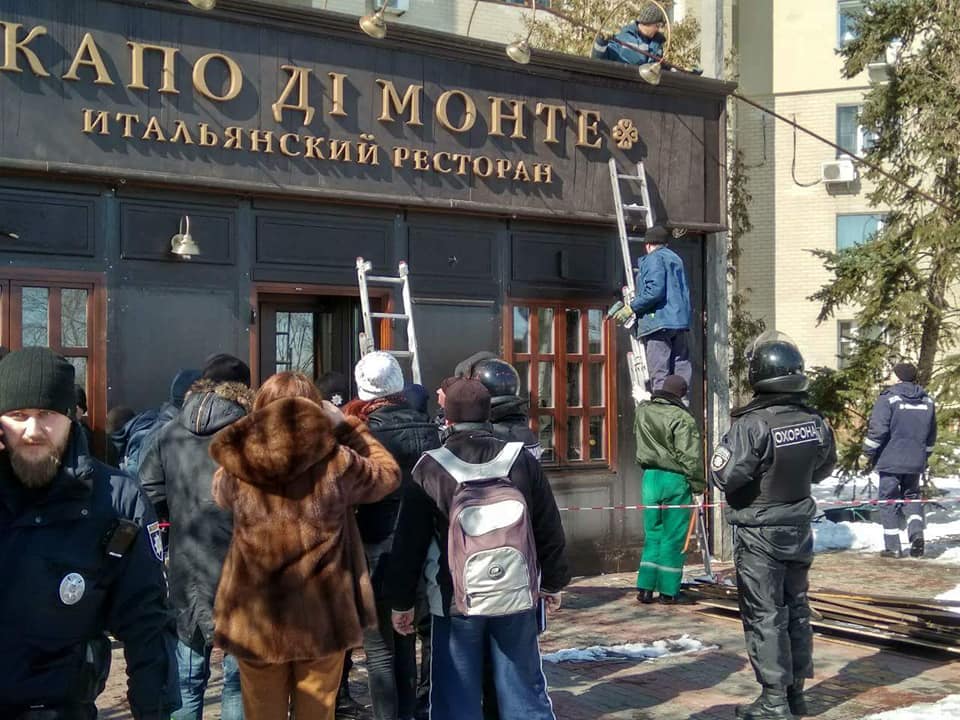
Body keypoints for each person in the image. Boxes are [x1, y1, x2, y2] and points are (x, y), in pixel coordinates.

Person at [209, 370, 401, 720]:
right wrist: (347, 426)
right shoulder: (337, 461)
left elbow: (220, 495)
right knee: (317, 712)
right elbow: (387, 474)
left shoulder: (239, 464)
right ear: (314, 406)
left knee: (261, 714)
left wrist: (251, 431)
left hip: (256, 616)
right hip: (321, 614)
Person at [0, 347, 180, 719]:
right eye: (18, 416)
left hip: (66, 707)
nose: (33, 430)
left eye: (47, 414)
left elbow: (146, 619)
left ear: (70, 416)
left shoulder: (117, 501)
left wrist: (154, 708)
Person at [388, 377, 569, 720]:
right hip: (516, 591)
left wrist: (402, 602)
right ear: (488, 413)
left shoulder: (430, 467)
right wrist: (552, 583)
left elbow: (408, 542)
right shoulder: (521, 460)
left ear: (448, 418)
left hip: (454, 598)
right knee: (523, 691)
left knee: (456, 696)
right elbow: (548, 525)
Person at [710, 331, 837, 720]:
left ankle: (774, 701)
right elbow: (823, 467)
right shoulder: (814, 420)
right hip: (798, 529)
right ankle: (795, 694)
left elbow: (725, 475)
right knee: (796, 609)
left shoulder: (752, 424)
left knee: (765, 614)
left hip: (760, 532)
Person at [139, 354, 254, 720]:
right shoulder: (250, 432)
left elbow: (148, 493)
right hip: (242, 568)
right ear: (243, 390)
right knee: (237, 680)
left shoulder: (169, 432)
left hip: (186, 565)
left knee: (188, 679)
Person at [339, 352, 441, 720]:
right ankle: (409, 713)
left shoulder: (362, 435)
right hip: (423, 547)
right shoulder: (432, 430)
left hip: (376, 547)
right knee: (407, 637)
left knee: (380, 649)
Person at [633, 374, 704, 605]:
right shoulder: (683, 418)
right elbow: (690, 457)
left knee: (653, 534)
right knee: (673, 536)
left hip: (650, 478)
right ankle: (668, 591)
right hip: (675, 479)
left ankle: (645, 588)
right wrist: (698, 487)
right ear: (682, 394)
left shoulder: (643, 411)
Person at [861, 362, 937, 559]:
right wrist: (924, 455)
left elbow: (878, 429)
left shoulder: (889, 398)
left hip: (891, 460)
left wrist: (867, 452)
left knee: (888, 501)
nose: (890, 377)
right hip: (915, 461)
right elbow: (931, 434)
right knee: (911, 498)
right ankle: (916, 535)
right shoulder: (927, 400)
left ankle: (893, 547)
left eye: (892, 374)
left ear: (899, 377)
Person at [612, 226, 692, 397]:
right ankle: (681, 406)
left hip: (658, 323)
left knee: (660, 373)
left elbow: (654, 291)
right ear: (665, 244)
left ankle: (661, 407)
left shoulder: (653, 258)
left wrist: (631, 307)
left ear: (648, 245)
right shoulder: (676, 258)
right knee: (680, 371)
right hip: (679, 323)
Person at [592, 4, 666, 66]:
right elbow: (598, 60)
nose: (658, 30)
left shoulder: (657, 43)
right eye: (657, 25)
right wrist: (601, 41)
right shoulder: (623, 39)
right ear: (647, 23)